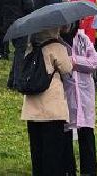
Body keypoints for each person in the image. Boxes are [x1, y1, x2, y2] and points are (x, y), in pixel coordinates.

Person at [21, 26, 75, 175]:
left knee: (37, 149)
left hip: (32, 108)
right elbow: (67, 68)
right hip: (52, 108)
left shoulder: (31, 47)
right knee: (53, 151)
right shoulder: (56, 46)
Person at [64, 21, 97, 174]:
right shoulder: (59, 42)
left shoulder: (82, 38)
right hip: (67, 92)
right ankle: (68, 170)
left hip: (84, 92)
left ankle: (89, 171)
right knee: (65, 134)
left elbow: (94, 61)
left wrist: (74, 60)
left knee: (86, 134)